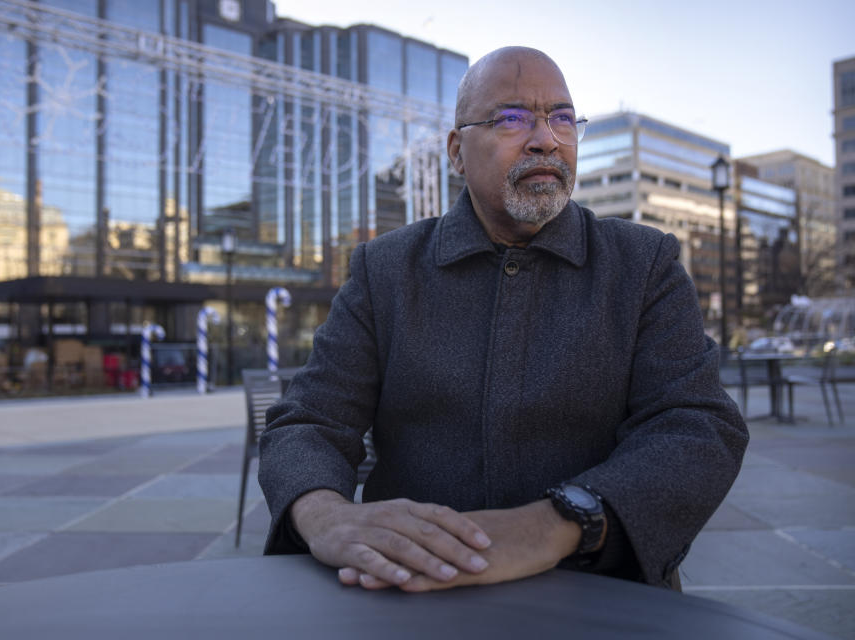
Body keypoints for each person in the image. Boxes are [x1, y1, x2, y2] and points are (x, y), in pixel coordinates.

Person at [258, 46, 748, 593]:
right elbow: (308, 421)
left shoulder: (643, 264)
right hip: (410, 599)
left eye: (562, 117)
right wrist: (325, 515)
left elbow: (698, 426)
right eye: (511, 118)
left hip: (601, 597)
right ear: (457, 152)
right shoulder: (387, 270)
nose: (545, 138)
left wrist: (557, 524)